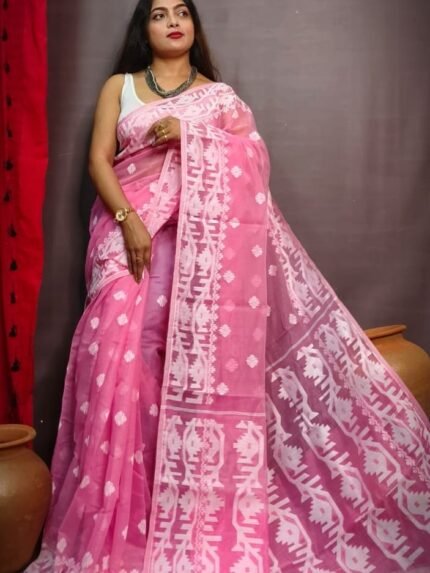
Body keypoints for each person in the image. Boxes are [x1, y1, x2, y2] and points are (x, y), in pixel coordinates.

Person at [27, 1, 430, 571]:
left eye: (182, 12)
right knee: (114, 361)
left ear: (194, 26)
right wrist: (129, 222)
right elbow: (99, 161)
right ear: (144, 28)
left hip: (196, 252)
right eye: (159, 14)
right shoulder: (120, 86)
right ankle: (116, 518)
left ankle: (176, 508)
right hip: (126, 235)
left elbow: (253, 160)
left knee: (174, 366)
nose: (173, 21)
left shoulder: (218, 98)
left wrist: (189, 134)